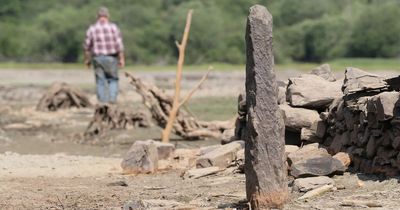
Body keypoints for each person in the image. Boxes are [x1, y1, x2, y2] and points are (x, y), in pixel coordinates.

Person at [83, 7, 125, 104]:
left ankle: (102, 103)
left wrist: (87, 60)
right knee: (113, 80)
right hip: (111, 58)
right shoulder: (113, 27)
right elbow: (119, 45)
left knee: (100, 81)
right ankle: (112, 100)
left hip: (97, 58)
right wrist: (121, 59)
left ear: (97, 16)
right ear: (108, 16)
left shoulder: (92, 29)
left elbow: (86, 47)